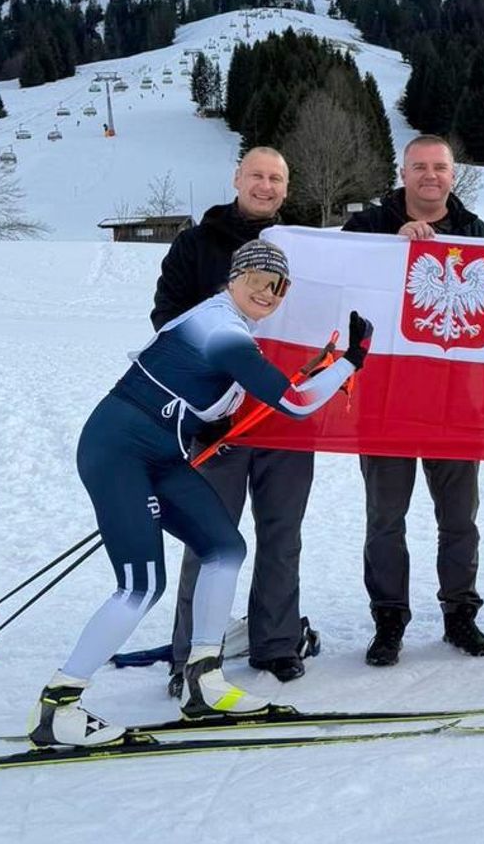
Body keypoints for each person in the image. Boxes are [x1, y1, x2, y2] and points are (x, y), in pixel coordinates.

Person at [30, 241, 372, 746]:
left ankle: (204, 682)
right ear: (233, 278)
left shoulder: (228, 326)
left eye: (278, 287)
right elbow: (297, 403)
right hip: (118, 452)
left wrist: (208, 421)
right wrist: (352, 361)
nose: (267, 293)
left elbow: (197, 392)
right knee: (142, 585)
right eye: (256, 280)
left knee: (224, 548)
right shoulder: (222, 330)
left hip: (162, 455)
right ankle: (59, 707)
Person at [153, 146, 317, 696]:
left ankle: (277, 642)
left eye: (276, 178)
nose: (265, 186)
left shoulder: (308, 246)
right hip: (217, 420)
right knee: (209, 540)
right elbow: (166, 318)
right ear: (237, 179)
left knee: (281, 534)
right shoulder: (196, 244)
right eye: (256, 175)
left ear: (287, 187)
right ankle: (191, 655)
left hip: (284, 416)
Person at [343, 134, 484, 666]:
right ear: (403, 172)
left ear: (453, 174)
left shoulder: (478, 234)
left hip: (455, 405)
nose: (431, 176)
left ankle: (461, 614)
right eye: (420, 167)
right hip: (385, 401)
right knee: (385, 518)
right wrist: (391, 246)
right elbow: (340, 285)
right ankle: (389, 617)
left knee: (459, 519)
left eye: (440, 167)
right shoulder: (367, 226)